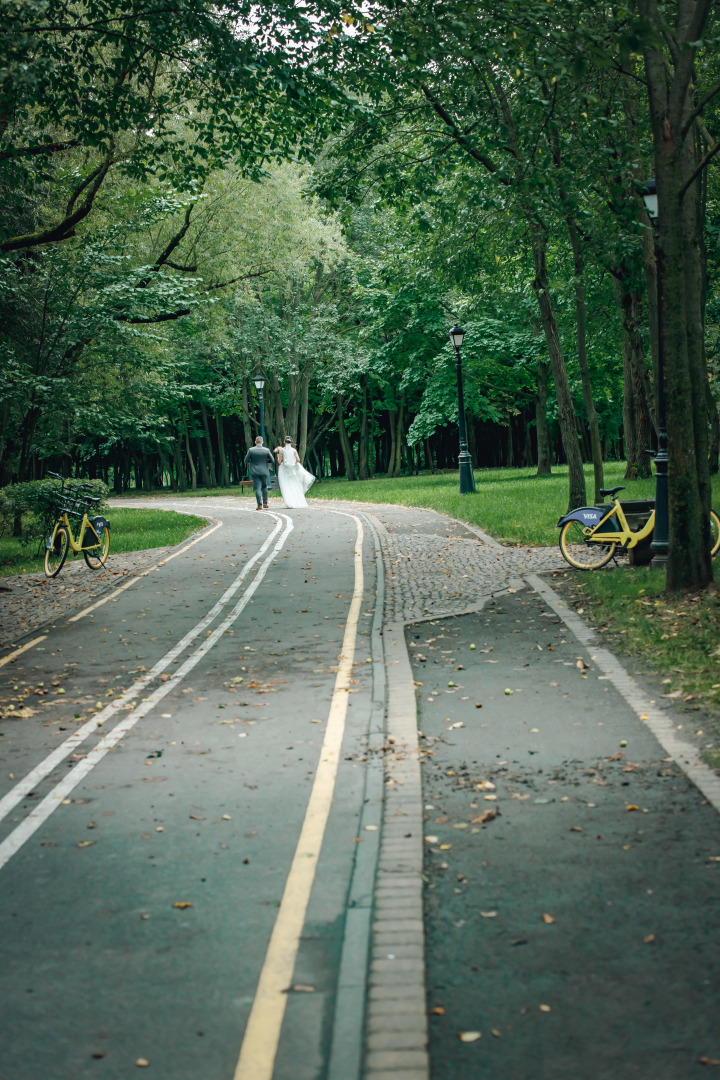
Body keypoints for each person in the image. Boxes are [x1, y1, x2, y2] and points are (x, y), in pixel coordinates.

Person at [273, 435, 315, 508]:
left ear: (284, 442)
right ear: (291, 442)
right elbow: (298, 460)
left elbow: (279, 461)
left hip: (285, 470)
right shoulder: (294, 450)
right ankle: (299, 502)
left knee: (287, 486)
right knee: (295, 485)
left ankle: (289, 503)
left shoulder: (282, 450)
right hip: (293, 470)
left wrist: (278, 456)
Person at [244, 436, 276, 510]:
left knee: (257, 487)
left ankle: (259, 505)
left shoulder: (251, 450)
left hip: (255, 472)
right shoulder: (266, 450)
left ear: (255, 442)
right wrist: (265, 461)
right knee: (264, 486)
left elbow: (246, 460)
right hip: (264, 471)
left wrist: (252, 461)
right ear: (262, 442)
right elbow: (272, 460)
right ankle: (265, 503)